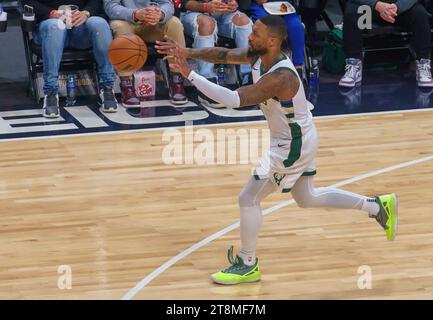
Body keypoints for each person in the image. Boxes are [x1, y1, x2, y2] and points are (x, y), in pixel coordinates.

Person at [156, 15, 398, 285]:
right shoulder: (260, 56)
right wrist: (186, 51)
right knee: (306, 198)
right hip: (299, 136)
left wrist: (189, 73)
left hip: (292, 145)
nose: (250, 35)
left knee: (248, 198)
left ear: (272, 40)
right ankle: (376, 207)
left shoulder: (281, 76)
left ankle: (247, 263)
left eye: (256, 33)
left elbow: (235, 100)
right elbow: (223, 54)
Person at [24, 0, 118, 118]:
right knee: (55, 26)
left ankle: (107, 87)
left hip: (80, 28)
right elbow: (26, 2)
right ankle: (51, 92)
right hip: (49, 25)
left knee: (99, 23)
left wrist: (86, 13)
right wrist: (52, 13)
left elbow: (97, 1)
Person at [104, 0, 188, 106]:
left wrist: (160, 14)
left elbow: (168, 4)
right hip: (126, 20)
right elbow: (110, 7)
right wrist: (135, 14)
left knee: (175, 23)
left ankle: (177, 81)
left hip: (152, 23)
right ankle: (127, 85)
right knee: (120, 26)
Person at [340, 0, 433, 88]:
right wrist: (377, 5)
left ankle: (423, 62)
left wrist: (398, 7)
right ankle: (353, 62)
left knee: (419, 13)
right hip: (370, 9)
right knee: (352, 10)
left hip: (399, 9)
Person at [180, 0, 252, 85]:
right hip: (192, 12)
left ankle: (248, 76)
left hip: (224, 12)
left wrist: (235, 3)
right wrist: (205, 6)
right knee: (206, 23)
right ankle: (207, 79)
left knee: (242, 20)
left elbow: (245, 4)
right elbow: (184, 3)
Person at [249, 0, 305, 73]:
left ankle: (298, 66)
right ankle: (266, 64)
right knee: (266, 25)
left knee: (295, 26)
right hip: (259, 6)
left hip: (282, 4)